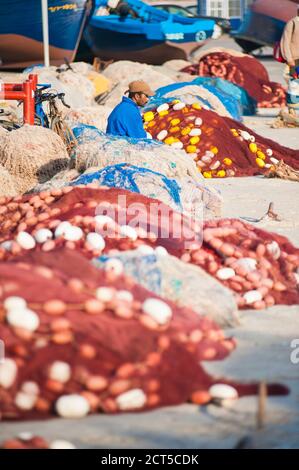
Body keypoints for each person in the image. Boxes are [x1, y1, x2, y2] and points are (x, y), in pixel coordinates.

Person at [280, 6, 299, 77]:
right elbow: (285, 42)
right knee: (295, 84)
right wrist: (289, 59)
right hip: (295, 60)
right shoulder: (292, 23)